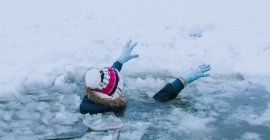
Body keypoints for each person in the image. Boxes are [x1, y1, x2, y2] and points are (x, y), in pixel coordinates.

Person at [80, 40, 211, 114]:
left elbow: (107, 81)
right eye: (121, 89)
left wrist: (119, 61)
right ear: (114, 95)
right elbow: (157, 100)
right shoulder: (117, 109)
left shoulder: (88, 100)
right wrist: (181, 81)